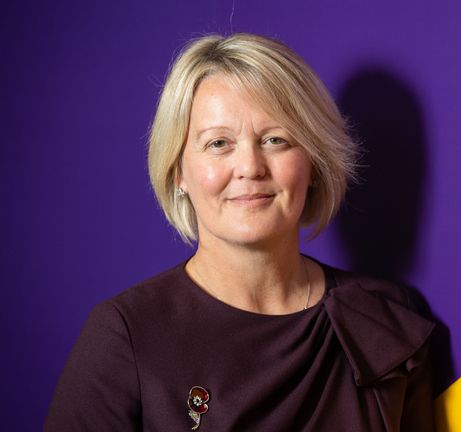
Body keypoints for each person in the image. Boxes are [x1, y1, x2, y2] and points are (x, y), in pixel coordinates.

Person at [45, 33, 435, 431]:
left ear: (314, 163)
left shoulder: (387, 322)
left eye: (275, 140)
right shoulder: (124, 335)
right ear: (178, 171)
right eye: (218, 143)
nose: (250, 166)